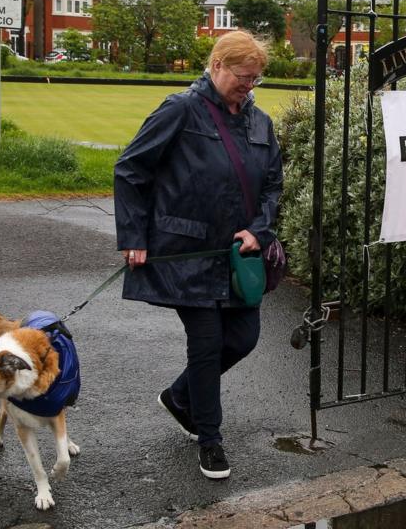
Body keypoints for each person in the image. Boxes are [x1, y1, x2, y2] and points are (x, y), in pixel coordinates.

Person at [113, 31, 282, 480]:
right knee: (206, 345)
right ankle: (210, 440)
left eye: (255, 80)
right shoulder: (180, 110)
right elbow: (131, 169)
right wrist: (134, 235)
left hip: (237, 260)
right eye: (243, 78)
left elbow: (272, 187)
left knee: (242, 338)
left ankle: (179, 396)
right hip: (186, 255)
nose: (248, 87)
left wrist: (259, 230)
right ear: (217, 65)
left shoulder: (261, 123)